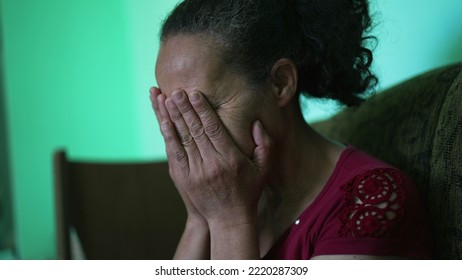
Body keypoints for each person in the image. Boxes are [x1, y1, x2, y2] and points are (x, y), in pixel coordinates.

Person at [149, 0, 431, 259]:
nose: (188, 133)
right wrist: (199, 220)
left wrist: (229, 220)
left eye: (204, 108)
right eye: (174, 113)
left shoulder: (370, 200)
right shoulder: (237, 191)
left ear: (281, 83)